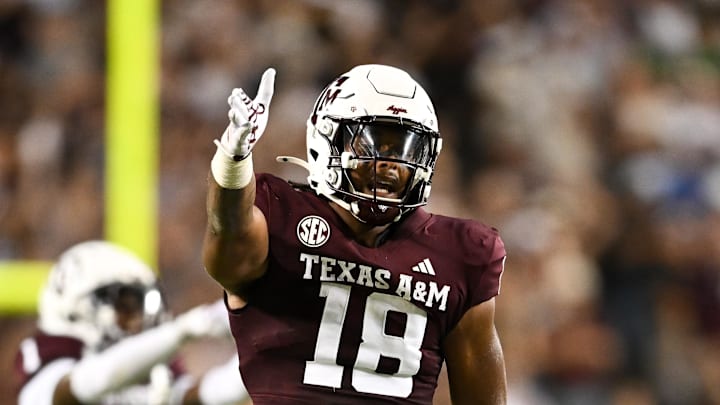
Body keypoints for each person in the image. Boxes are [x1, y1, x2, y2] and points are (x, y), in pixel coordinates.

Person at [203, 64, 508, 404]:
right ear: (326, 140)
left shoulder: (460, 253)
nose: (391, 163)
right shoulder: (280, 215)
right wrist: (233, 159)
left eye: (405, 150)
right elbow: (228, 230)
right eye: (374, 143)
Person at [14, 240, 250, 405]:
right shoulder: (51, 355)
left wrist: (260, 345)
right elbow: (88, 384)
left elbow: (214, 393)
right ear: (79, 306)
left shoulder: (148, 365)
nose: (139, 321)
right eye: (126, 308)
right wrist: (184, 330)